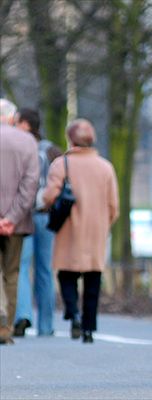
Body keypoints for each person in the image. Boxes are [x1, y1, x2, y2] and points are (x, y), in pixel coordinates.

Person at [43, 119, 119, 344]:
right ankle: (88, 328)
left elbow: (49, 195)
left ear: (70, 138)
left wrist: (46, 205)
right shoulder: (106, 167)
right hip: (96, 229)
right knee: (93, 279)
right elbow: (113, 205)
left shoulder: (61, 164)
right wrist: (105, 224)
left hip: (69, 227)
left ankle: (73, 313)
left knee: (66, 274)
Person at [13, 108, 62, 337]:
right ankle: (46, 326)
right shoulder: (52, 150)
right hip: (46, 215)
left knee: (21, 266)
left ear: (24, 124)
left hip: (22, 214)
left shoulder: (16, 146)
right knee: (44, 270)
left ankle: (22, 315)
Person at [0, 99, 40, 345]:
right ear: (13, 118)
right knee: (12, 273)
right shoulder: (27, 142)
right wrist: (11, 217)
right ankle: (7, 328)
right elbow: (30, 184)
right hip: (16, 223)